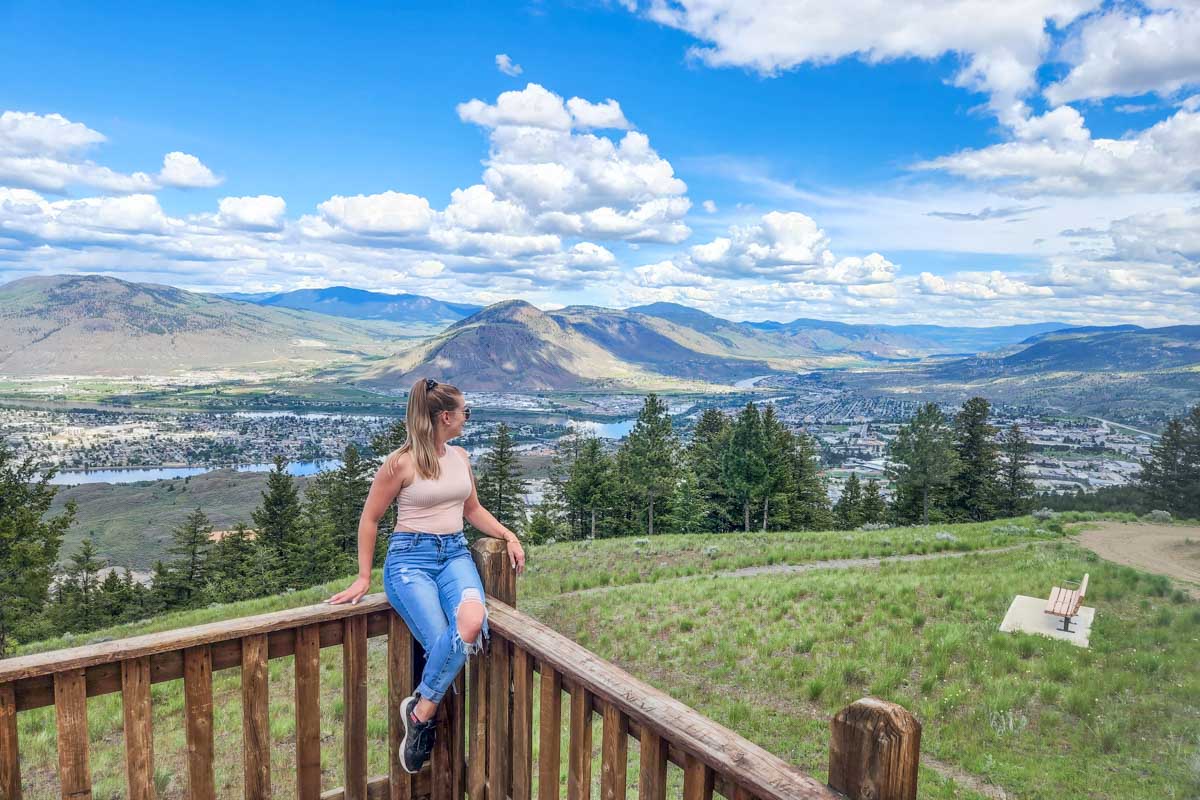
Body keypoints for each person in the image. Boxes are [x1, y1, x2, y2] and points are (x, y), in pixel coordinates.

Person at [327, 376, 526, 774]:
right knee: (443, 642)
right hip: (409, 560)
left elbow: (472, 510)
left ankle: (420, 712)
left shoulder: (461, 458)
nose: (468, 418)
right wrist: (364, 577)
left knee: (471, 622)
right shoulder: (400, 464)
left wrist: (508, 534)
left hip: (454, 553)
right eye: (465, 412)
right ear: (446, 417)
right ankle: (425, 715)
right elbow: (370, 518)